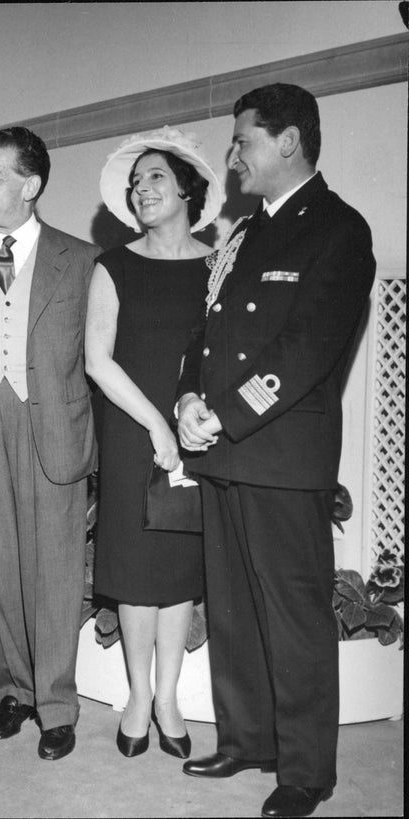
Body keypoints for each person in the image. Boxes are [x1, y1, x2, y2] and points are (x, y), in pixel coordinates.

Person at [176, 83, 376, 818]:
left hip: (282, 456)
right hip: (225, 448)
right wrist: (186, 401)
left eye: (244, 142)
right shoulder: (242, 234)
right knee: (231, 608)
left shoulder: (338, 230)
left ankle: (305, 770)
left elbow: (305, 351)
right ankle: (246, 737)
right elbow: (205, 333)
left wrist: (223, 414)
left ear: (288, 141)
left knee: (292, 616)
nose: (233, 160)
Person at [0, 127, 98, 761]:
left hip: (53, 427)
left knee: (55, 571)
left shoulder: (84, 260)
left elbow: (103, 359)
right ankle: (12, 691)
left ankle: (57, 704)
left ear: (30, 186)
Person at [85, 128, 223, 760]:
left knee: (179, 569)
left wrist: (193, 422)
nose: (143, 190)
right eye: (136, 183)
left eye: (156, 178)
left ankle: (168, 696)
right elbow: (99, 360)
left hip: (199, 433)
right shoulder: (113, 266)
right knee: (139, 572)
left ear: (188, 188)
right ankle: (138, 695)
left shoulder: (219, 265)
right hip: (132, 429)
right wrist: (156, 425)